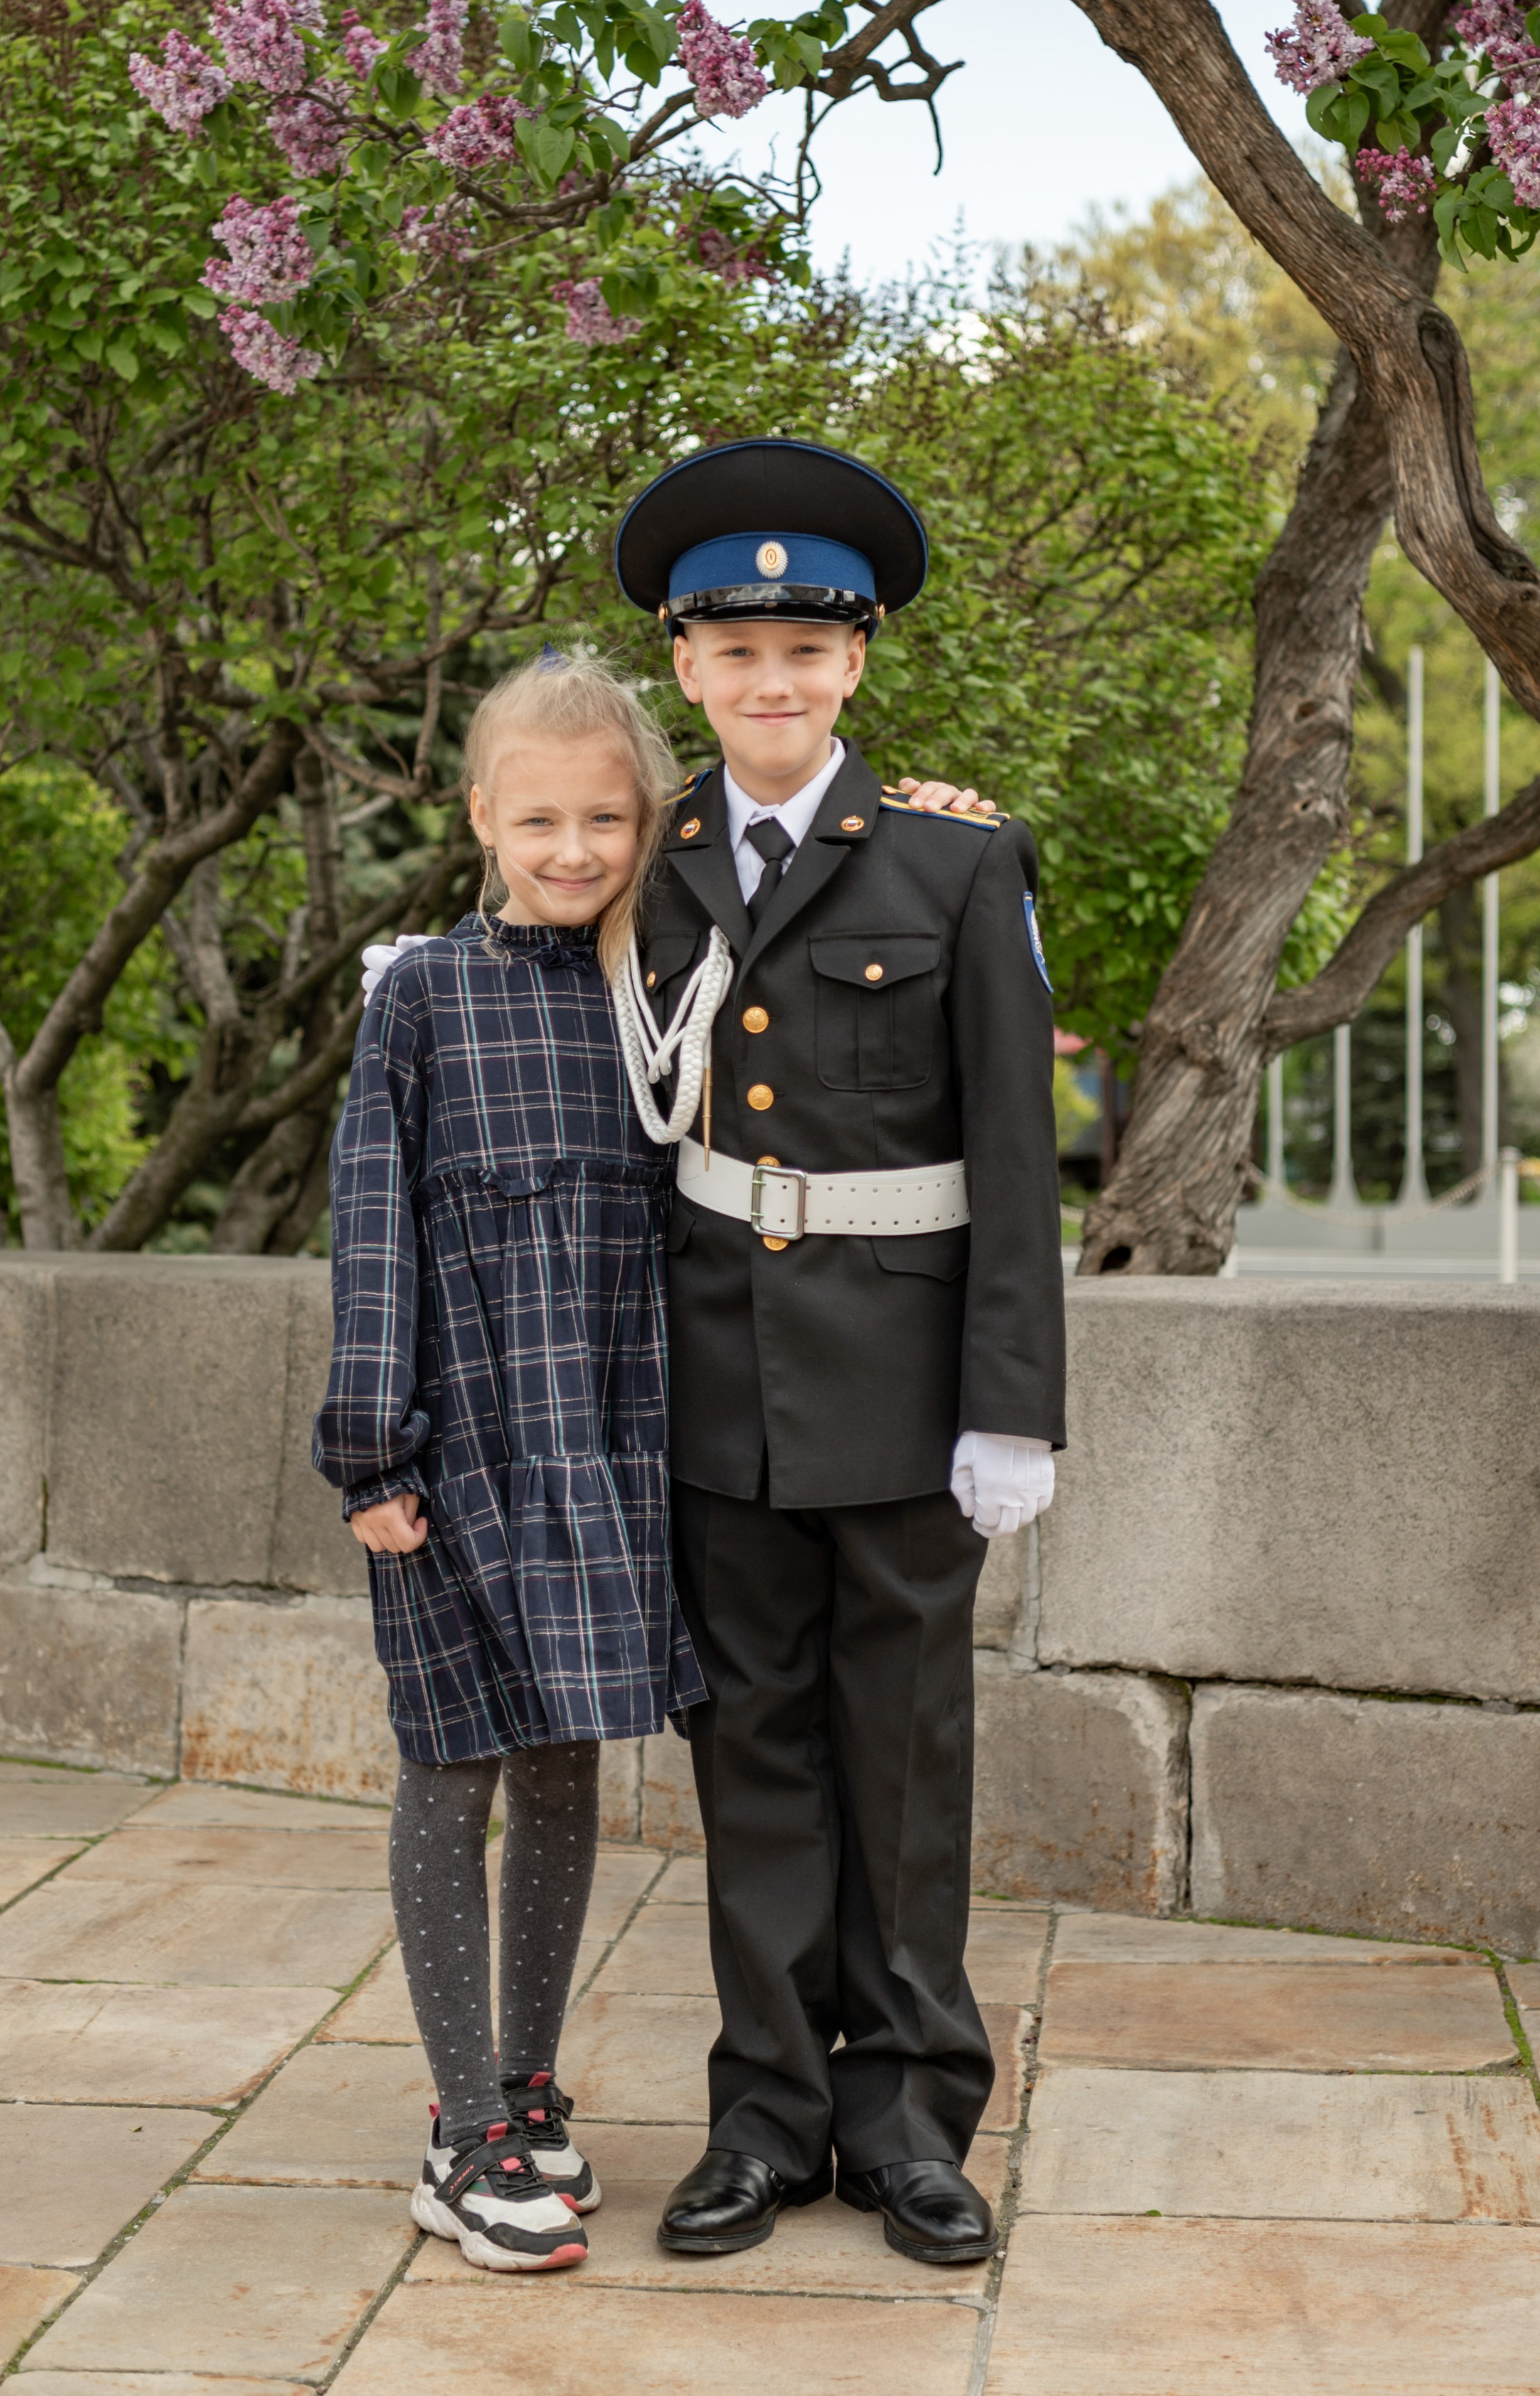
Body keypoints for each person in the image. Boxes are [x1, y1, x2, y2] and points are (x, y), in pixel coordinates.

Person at [329, 643, 987, 2278]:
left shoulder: (655, 963)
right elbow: (370, 1236)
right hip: (462, 1443)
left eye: (605, 821)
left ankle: (529, 2086)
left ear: (651, 825)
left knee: (567, 1761)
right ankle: (464, 2116)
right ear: (479, 812)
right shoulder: (420, 995)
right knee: (449, 1760)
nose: (571, 849)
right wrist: (366, 1445)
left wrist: (932, 813)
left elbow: (802, 882)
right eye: (536, 817)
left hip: (617, 1451)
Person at [621, 436, 1066, 2269]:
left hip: (900, 1396)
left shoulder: (960, 863)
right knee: (755, 1765)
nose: (773, 679)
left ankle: (907, 2121)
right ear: (685, 671)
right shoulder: (633, 870)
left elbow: (1019, 1158)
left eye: (807, 647)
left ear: (857, 663)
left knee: (900, 1763)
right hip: (714, 1389)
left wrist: (1011, 1413)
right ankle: (765, 2115)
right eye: (736, 650)